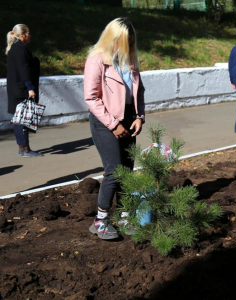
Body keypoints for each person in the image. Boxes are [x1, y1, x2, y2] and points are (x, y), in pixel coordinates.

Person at [84, 18, 146, 240]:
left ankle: (124, 216)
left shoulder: (130, 60)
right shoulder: (97, 60)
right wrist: (113, 124)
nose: (128, 45)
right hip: (105, 121)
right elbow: (91, 98)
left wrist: (140, 117)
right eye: (124, 41)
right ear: (112, 39)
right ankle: (100, 220)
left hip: (129, 119)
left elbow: (139, 92)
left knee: (127, 171)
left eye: (131, 41)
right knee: (114, 170)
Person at [6, 24, 43, 157]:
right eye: (28, 33)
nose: (30, 35)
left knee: (19, 119)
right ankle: (25, 149)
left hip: (16, 89)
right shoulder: (20, 50)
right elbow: (24, 70)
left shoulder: (14, 49)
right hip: (22, 89)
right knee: (23, 119)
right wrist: (30, 88)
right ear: (22, 35)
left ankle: (22, 147)